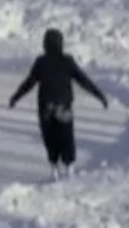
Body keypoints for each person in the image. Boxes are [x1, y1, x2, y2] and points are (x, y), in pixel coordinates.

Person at [8, 28, 108, 179]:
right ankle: (69, 167)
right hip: (63, 107)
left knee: (50, 138)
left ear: (45, 44)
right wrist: (99, 95)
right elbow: (83, 80)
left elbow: (29, 83)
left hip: (46, 108)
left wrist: (16, 97)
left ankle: (54, 167)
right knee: (66, 137)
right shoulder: (67, 61)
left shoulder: (41, 62)